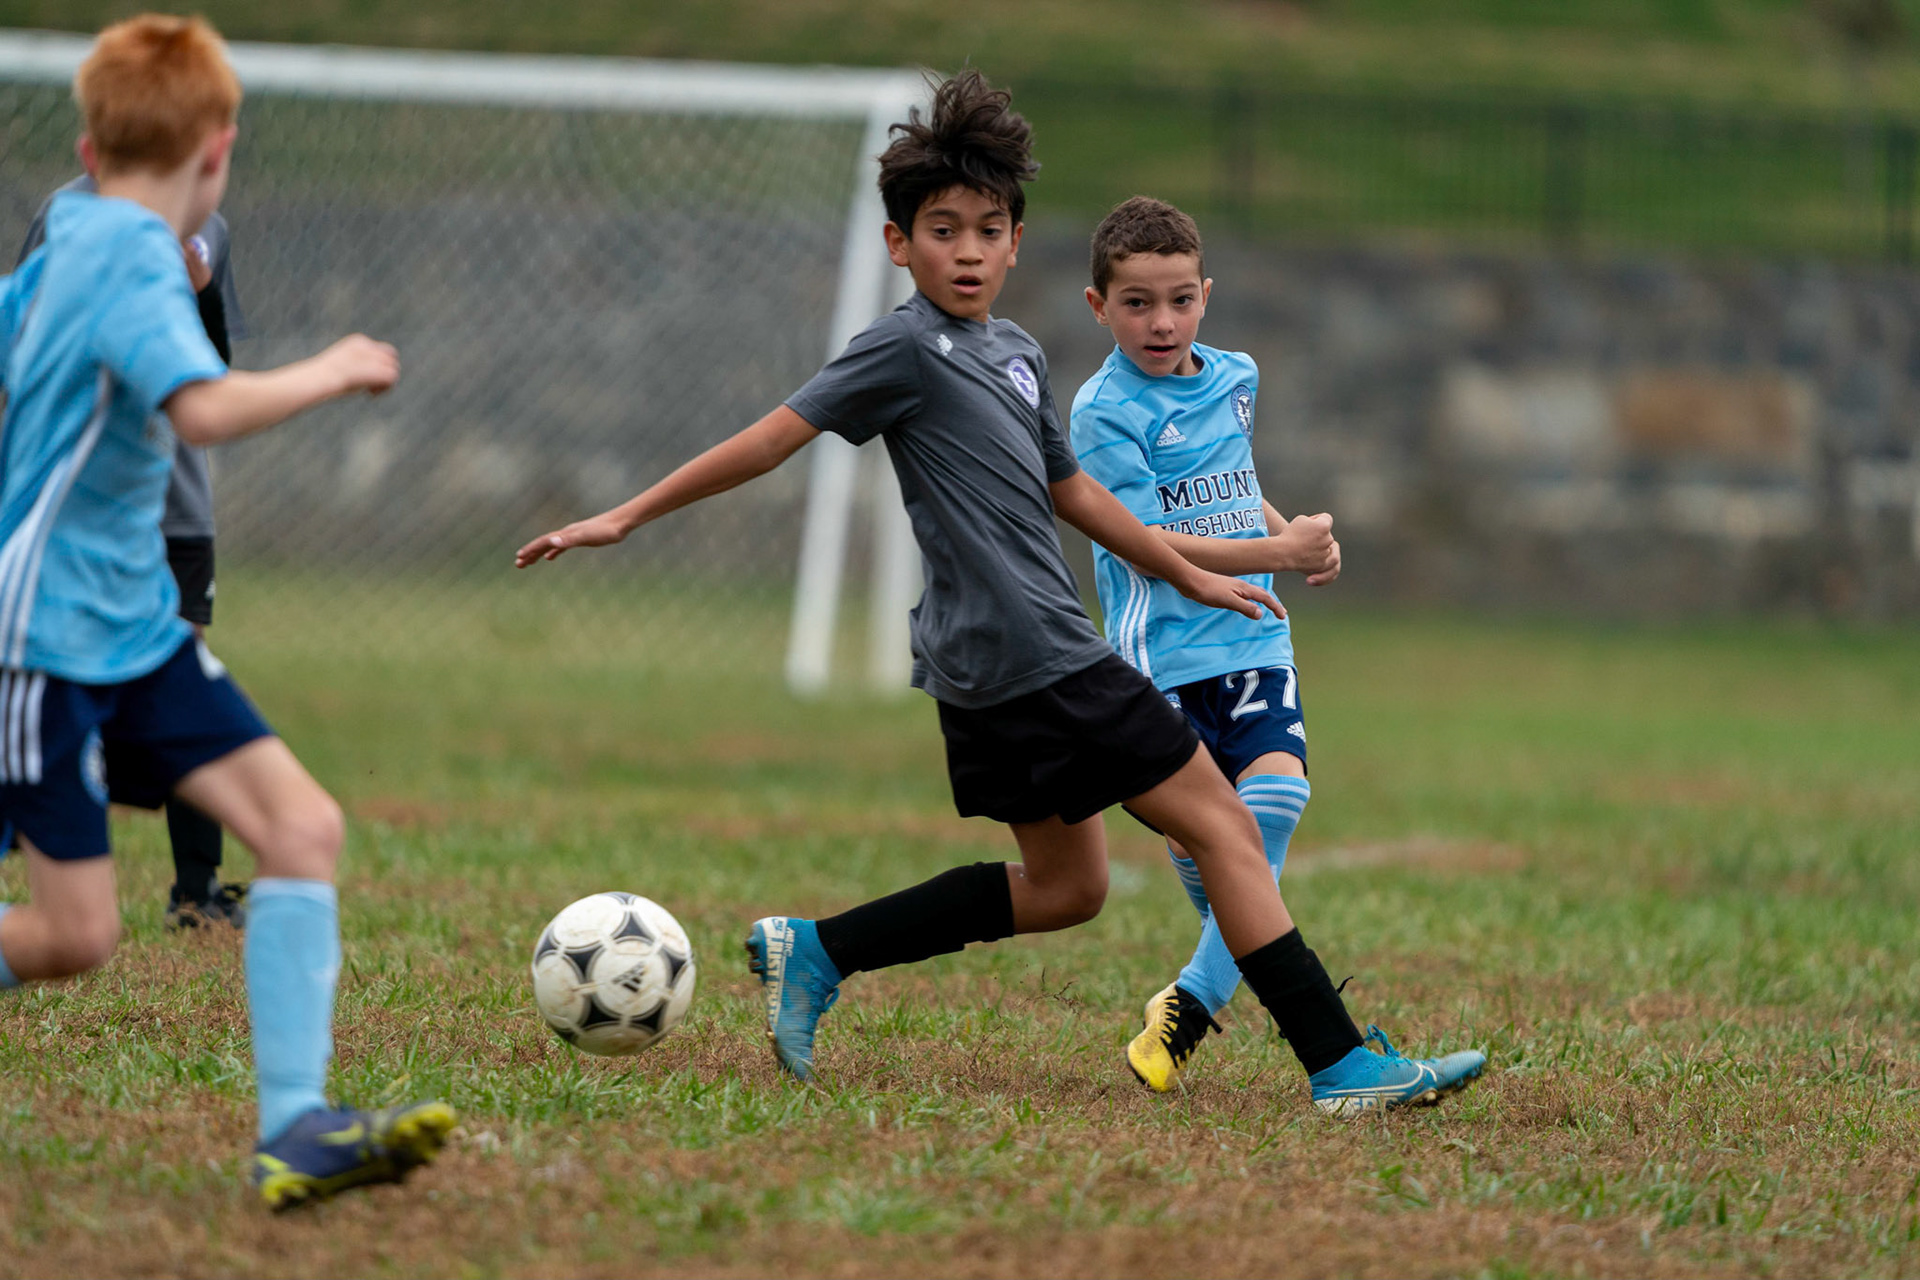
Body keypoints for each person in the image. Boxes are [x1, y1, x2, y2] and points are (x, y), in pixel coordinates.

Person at [518, 70, 1479, 1114]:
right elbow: (771, 437)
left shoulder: (1016, 354)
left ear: (1017, 240)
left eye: (987, 228)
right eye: (941, 229)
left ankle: (821, 947)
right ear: (899, 245)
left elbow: (1076, 494)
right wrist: (624, 513)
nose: (967, 250)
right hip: (1043, 655)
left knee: (1070, 888)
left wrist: (1194, 569)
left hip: (986, 668)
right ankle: (1340, 1064)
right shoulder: (900, 349)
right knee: (1229, 827)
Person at [0, 14, 452, 1206]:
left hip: (133, 628)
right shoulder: (136, 254)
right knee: (71, 936)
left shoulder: (71, 236)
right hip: (41, 643)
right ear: (219, 150)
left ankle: (296, 1127)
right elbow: (199, 408)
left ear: (88, 152)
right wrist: (336, 366)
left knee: (301, 829)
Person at [18, 175, 246, 932]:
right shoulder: (67, 213)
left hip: (176, 507)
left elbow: (210, 367)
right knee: (51, 682)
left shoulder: (207, 221)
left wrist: (200, 284)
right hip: (78, 509)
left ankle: (196, 890)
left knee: (182, 675)